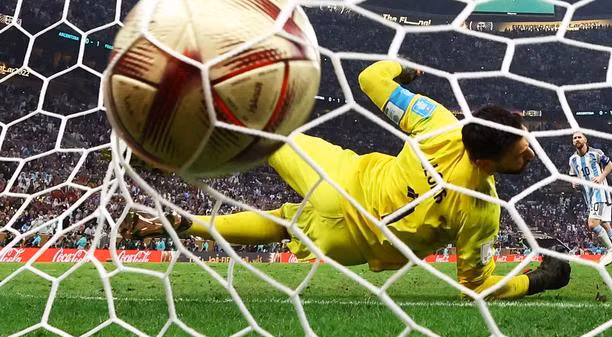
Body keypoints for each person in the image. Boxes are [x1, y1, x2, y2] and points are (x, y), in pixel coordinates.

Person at [121, 60, 570, 299]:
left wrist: (404, 71)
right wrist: (540, 280)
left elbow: (370, 78)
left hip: (338, 180)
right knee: (283, 223)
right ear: (489, 162)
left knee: (268, 133)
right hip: (351, 243)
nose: (531, 148)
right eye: (523, 147)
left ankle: (178, 134)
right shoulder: (482, 210)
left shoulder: (438, 123)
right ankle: (184, 223)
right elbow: (476, 285)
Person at [568, 132, 612, 267]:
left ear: (585, 140)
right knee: (605, 225)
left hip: (600, 192)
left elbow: (610, 165)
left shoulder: (596, 153)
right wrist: (574, 182)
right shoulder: (572, 159)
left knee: (592, 224)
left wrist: (601, 177)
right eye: (574, 138)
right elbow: (572, 175)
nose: (577, 139)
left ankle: (610, 250)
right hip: (589, 196)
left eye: (579, 137)